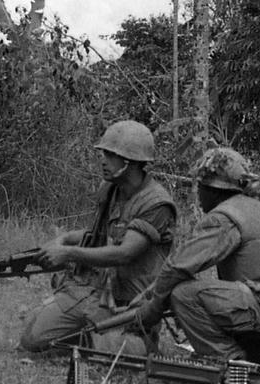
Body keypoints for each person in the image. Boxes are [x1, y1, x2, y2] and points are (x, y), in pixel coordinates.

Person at [94, 147, 260, 370]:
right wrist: (147, 297)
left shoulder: (225, 216)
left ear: (212, 190)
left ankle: (230, 366)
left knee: (184, 294)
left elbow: (177, 267)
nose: (198, 196)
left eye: (200, 188)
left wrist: (153, 308)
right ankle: (255, 362)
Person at [19, 120, 177, 355]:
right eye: (104, 153)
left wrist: (68, 253)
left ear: (130, 162)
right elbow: (100, 237)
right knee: (32, 338)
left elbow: (124, 253)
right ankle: (87, 338)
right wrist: (63, 239)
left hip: (131, 302)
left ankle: (136, 342)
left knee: (109, 353)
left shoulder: (156, 203)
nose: (103, 160)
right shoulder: (110, 189)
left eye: (110, 155)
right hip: (97, 291)